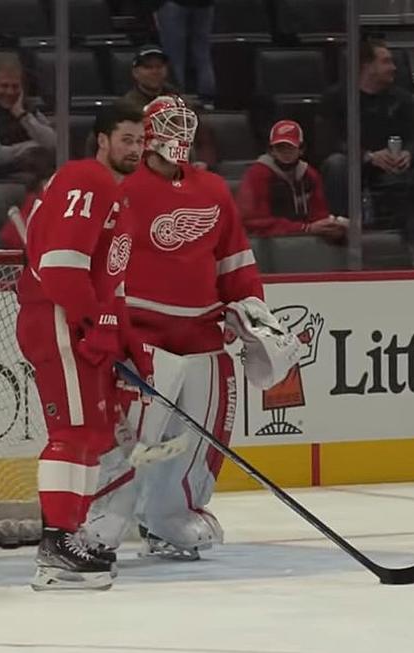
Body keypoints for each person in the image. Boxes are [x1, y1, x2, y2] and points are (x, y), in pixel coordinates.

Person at [83, 96, 298, 561]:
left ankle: (170, 516)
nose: (178, 137)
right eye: (168, 127)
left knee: (203, 433)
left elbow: (235, 262)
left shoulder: (214, 190)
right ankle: (103, 520)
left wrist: (252, 312)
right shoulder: (121, 189)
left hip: (203, 334)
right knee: (131, 437)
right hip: (141, 336)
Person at [16, 101, 152, 591]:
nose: (135, 149)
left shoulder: (116, 193)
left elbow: (106, 279)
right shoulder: (85, 179)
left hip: (77, 321)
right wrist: (96, 322)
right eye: (127, 140)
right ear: (101, 139)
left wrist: (125, 335)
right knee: (73, 432)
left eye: (141, 141)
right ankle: (55, 549)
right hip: (56, 317)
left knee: (93, 435)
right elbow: (59, 266)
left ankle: (70, 538)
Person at [319, 38, 414, 235]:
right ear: (367, 66)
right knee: (336, 163)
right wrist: (368, 156)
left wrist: (408, 153)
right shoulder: (336, 98)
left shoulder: (404, 99)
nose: (394, 67)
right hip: (355, 165)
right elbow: (329, 140)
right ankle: (341, 232)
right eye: (386, 62)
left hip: (395, 164)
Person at [237, 119, 345, 241]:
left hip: (304, 240)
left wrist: (328, 226)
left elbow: (319, 214)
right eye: (280, 148)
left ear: (301, 150)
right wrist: (304, 228)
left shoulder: (310, 175)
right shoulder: (256, 174)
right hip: (266, 242)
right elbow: (252, 222)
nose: (286, 152)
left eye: (291, 147)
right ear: (271, 150)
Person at [0, 54, 55, 182]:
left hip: (35, 177)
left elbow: (53, 143)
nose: (10, 92)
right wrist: (32, 147)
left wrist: (21, 115)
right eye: (4, 86)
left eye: (15, 86)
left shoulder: (27, 110)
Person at [154, 1, 217, 106]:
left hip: (174, 4)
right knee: (202, 53)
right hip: (204, 4)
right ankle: (208, 98)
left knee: (174, 57)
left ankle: (175, 99)